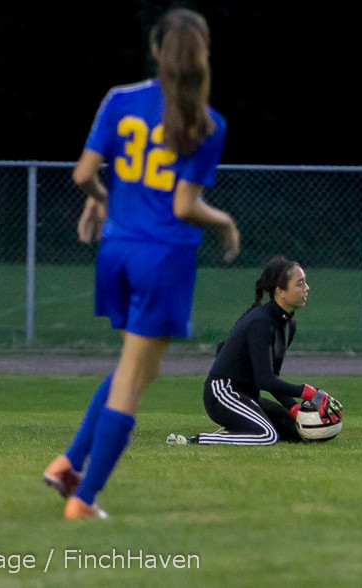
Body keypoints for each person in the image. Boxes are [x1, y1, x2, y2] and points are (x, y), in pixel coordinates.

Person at [42, 8, 240, 519]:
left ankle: (69, 463)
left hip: (116, 251)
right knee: (133, 378)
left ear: (155, 50)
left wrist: (103, 200)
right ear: (203, 56)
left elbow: (83, 174)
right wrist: (225, 223)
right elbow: (184, 206)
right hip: (163, 257)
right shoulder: (206, 123)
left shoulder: (120, 100)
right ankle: (84, 498)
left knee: (138, 367)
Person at [170, 255, 341, 446]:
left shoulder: (287, 324)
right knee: (267, 436)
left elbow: (272, 378)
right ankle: (194, 441)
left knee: (298, 432)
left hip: (247, 396)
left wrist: (294, 409)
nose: (306, 288)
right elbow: (264, 380)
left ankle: (238, 429)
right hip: (223, 393)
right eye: (300, 283)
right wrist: (309, 393)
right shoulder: (262, 323)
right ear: (281, 292)